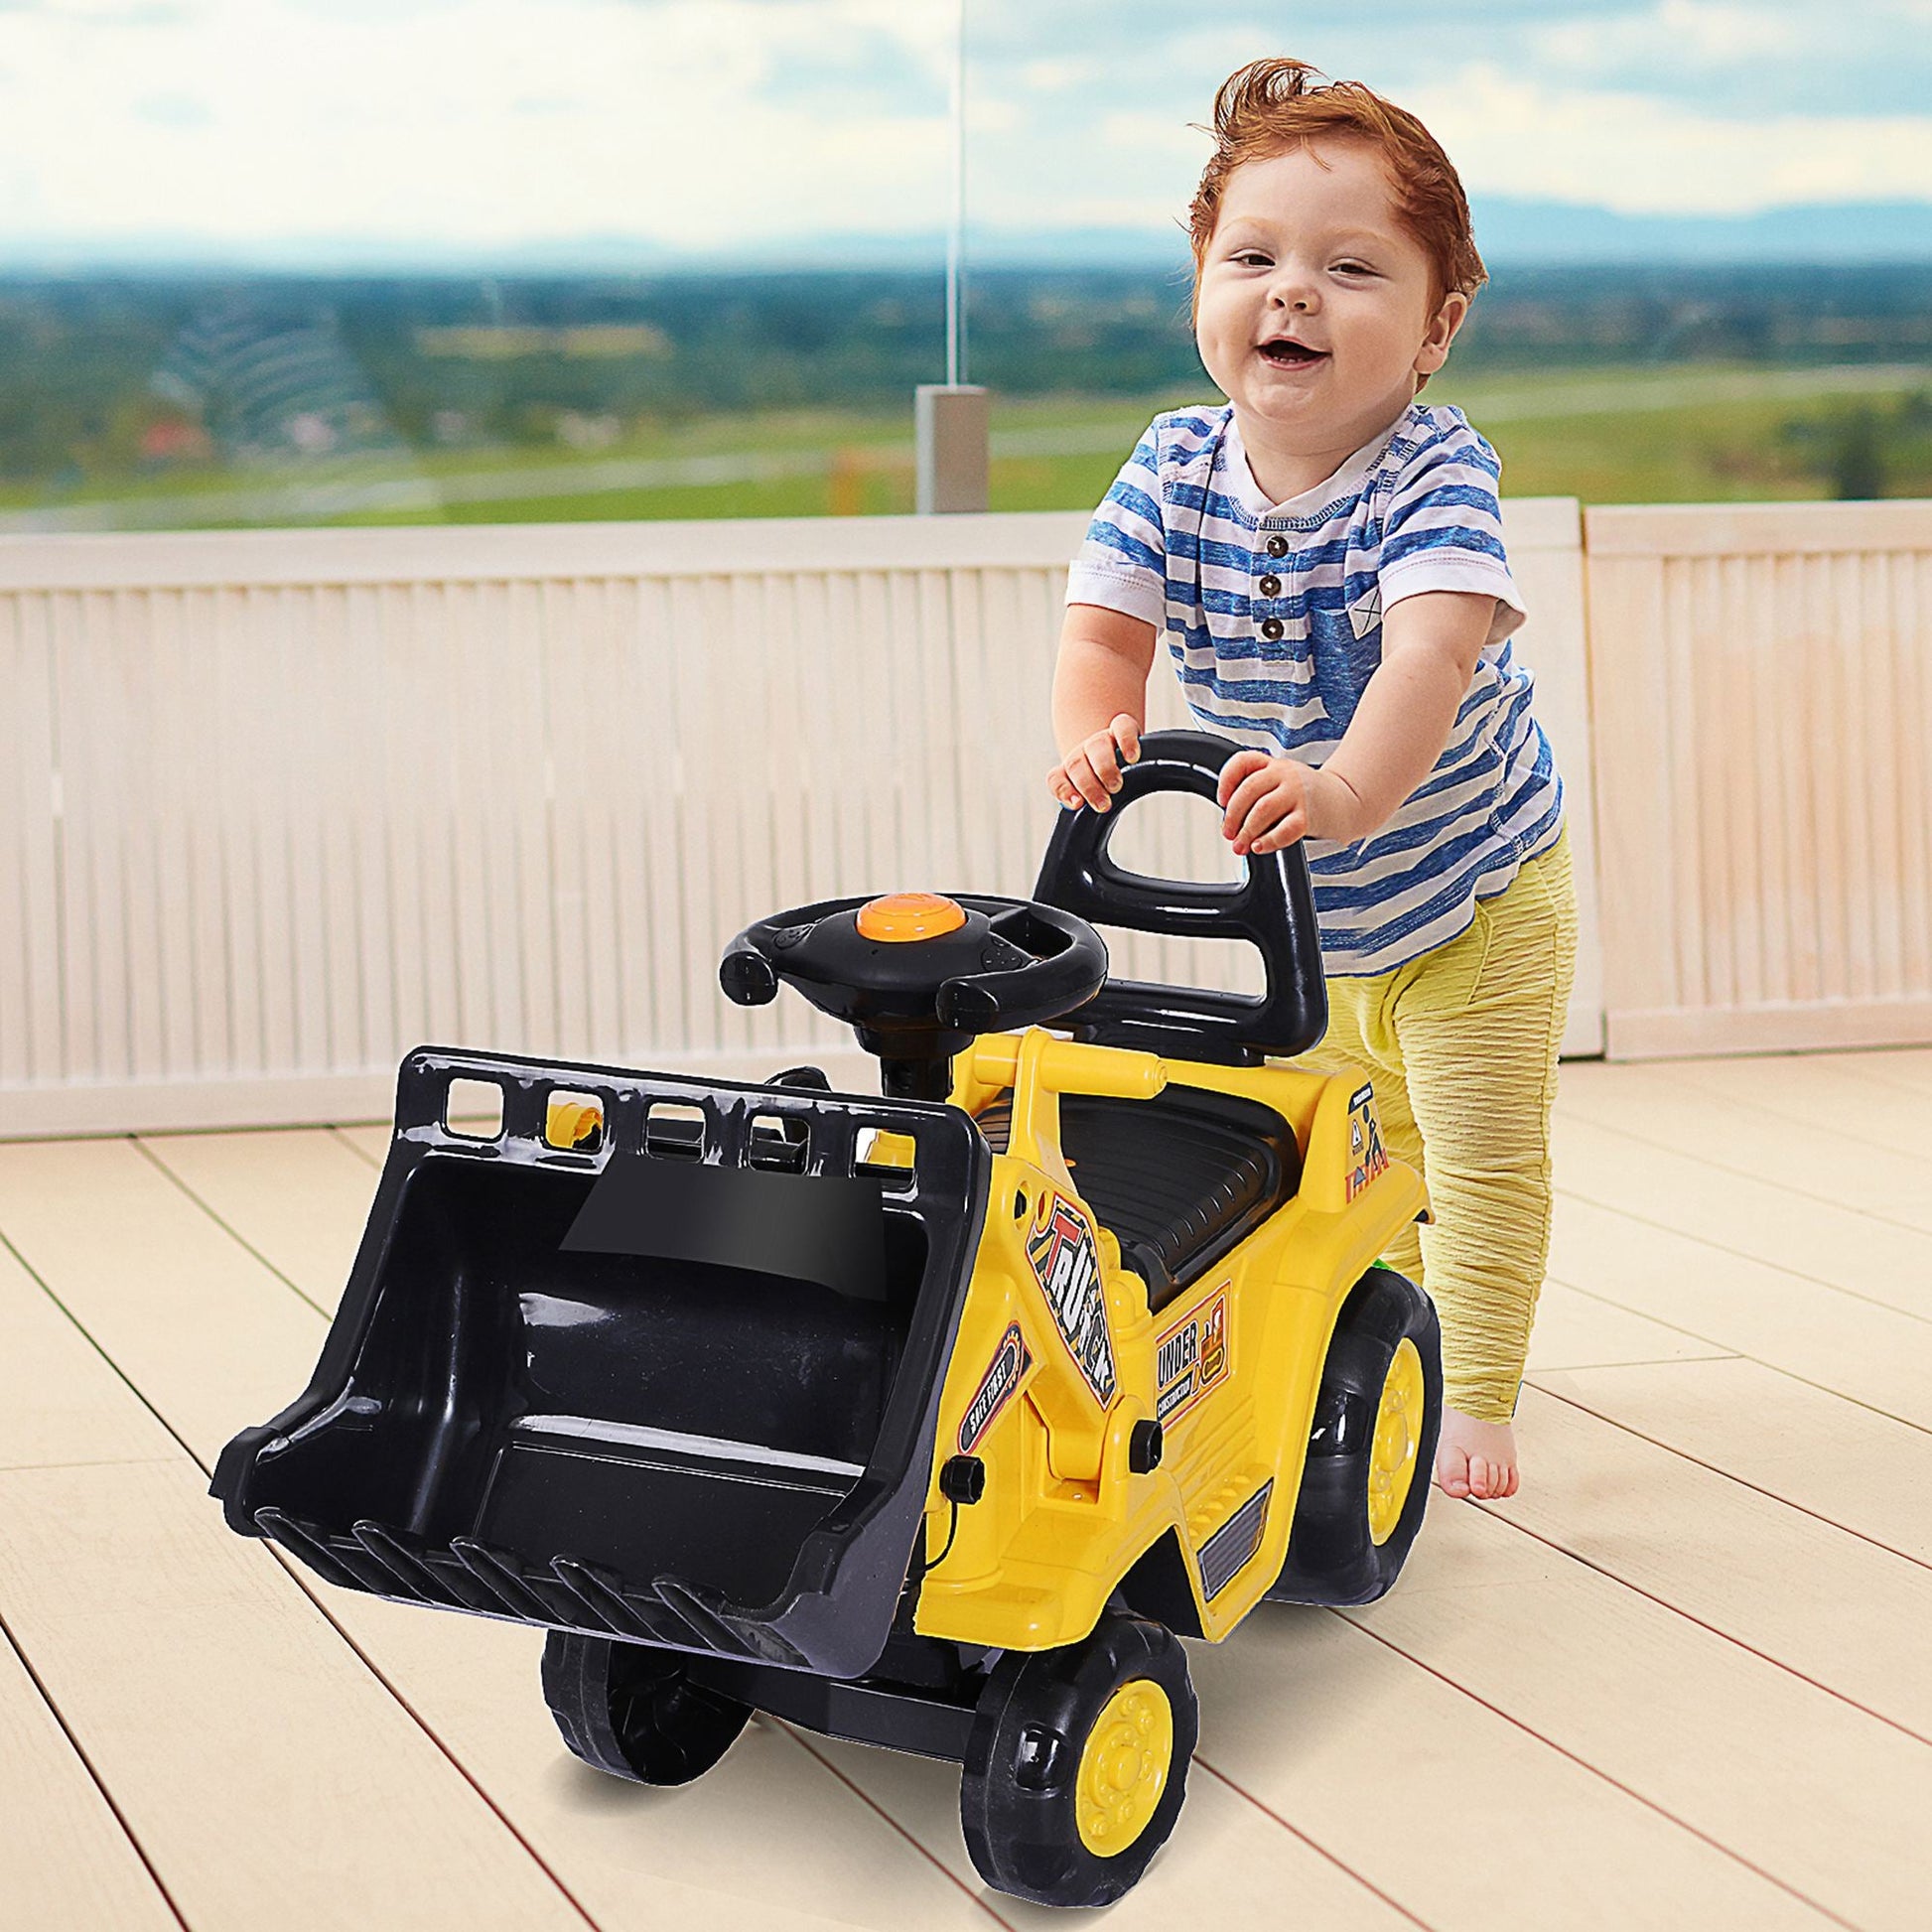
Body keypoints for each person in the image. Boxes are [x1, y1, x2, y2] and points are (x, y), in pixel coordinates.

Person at [1047, 57, 1578, 1503]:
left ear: (1433, 328)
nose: (1292, 292)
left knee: (1470, 1152)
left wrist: (1345, 790)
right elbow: (1103, 624)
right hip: (1304, 913)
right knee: (1343, 1154)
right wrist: (1102, 721)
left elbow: (1429, 657)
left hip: (1470, 887)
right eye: (1253, 257)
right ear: (1201, 289)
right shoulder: (1170, 464)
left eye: (1351, 269)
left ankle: (1475, 1392)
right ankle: (1389, 1340)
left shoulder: (1431, 473)